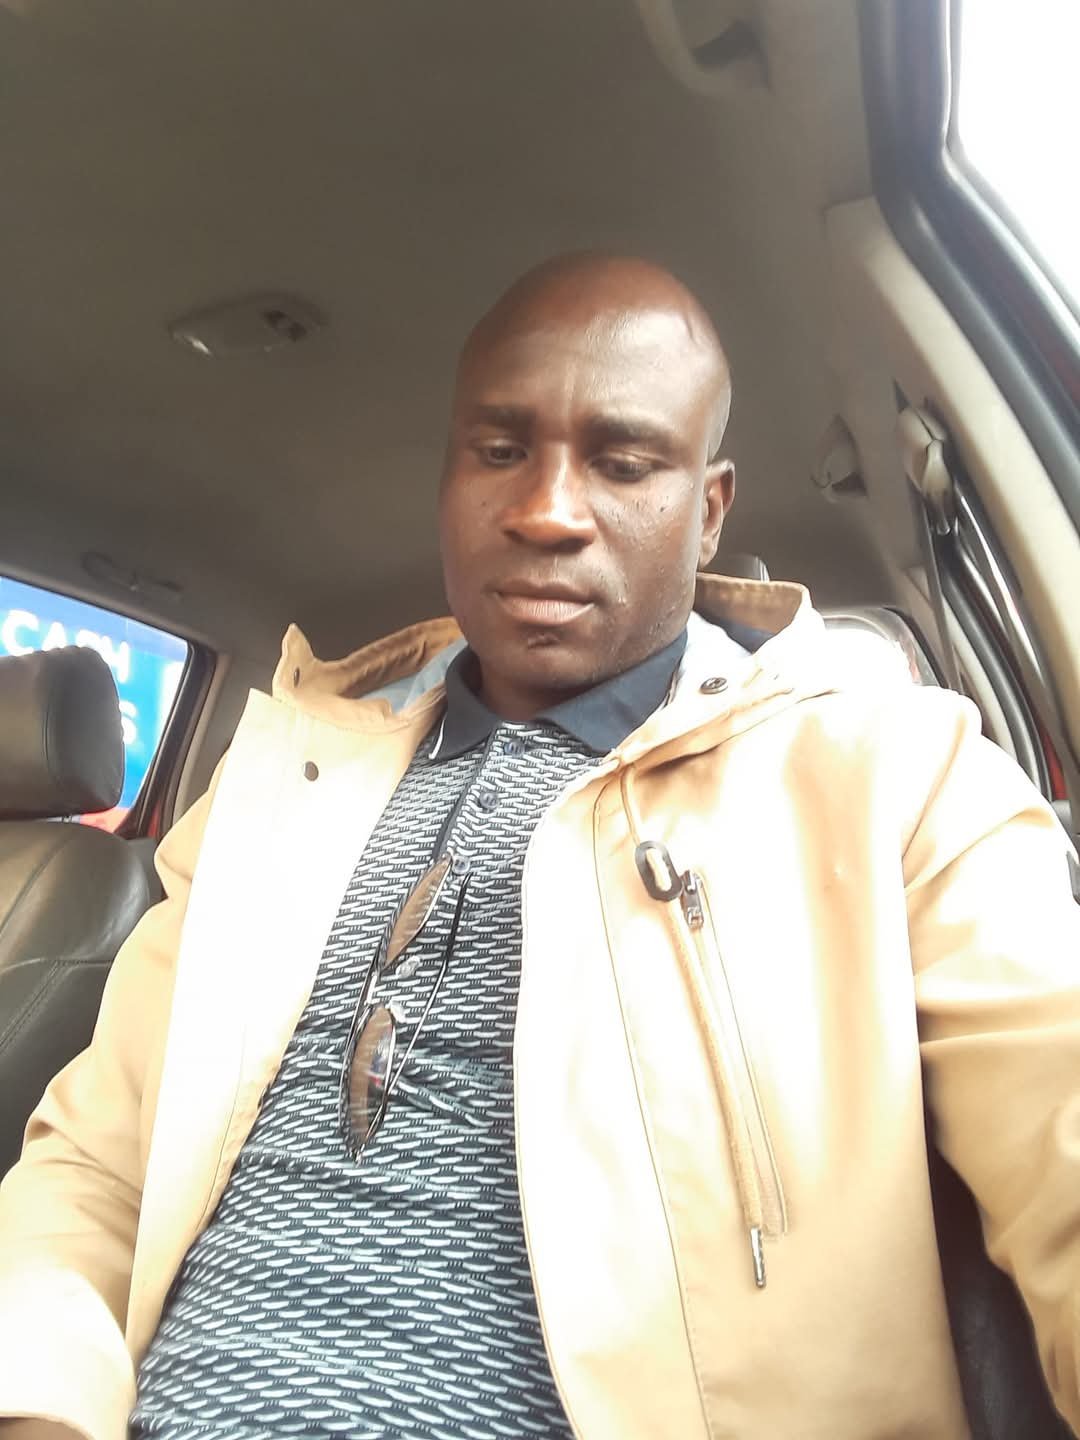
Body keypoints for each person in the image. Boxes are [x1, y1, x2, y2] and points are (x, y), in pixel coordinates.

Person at [1, 252, 1079, 1440]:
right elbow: (91, 1167)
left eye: (624, 463)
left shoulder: (893, 780)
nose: (547, 511)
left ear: (709, 511)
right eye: (501, 449)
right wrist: (37, 1406)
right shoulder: (272, 791)